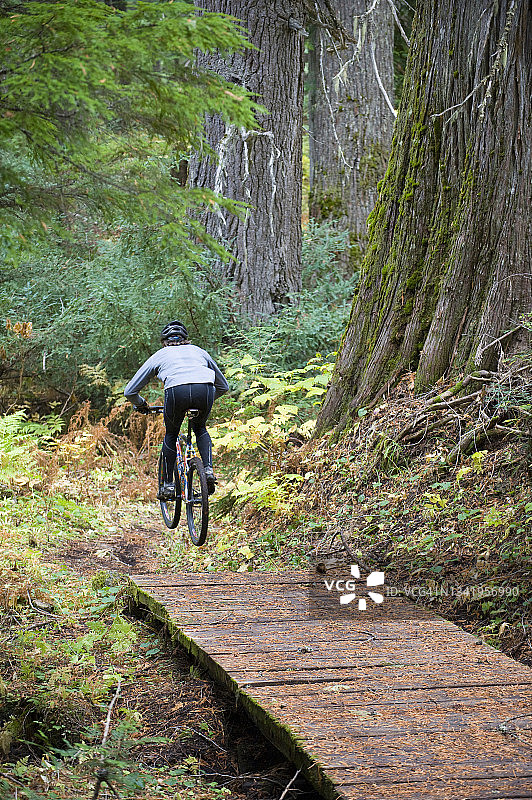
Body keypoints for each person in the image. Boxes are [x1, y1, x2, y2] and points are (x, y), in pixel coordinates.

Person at [124, 320, 229, 498]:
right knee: (200, 428)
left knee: (171, 435)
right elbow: (223, 386)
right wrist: (208, 399)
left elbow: (130, 391)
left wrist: (141, 404)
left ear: (164, 342)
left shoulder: (161, 354)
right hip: (204, 389)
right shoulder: (199, 351)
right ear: (185, 340)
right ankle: (209, 470)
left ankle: (168, 486)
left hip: (176, 391)